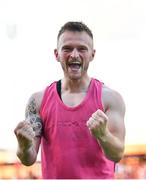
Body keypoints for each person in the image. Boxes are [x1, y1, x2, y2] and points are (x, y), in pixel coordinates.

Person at [14, 21, 126, 179]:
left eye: (82, 49)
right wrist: (23, 146)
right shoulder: (38, 101)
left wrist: (103, 134)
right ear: (56, 54)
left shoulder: (110, 98)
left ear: (92, 54)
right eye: (67, 48)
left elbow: (117, 154)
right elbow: (28, 159)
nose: (74, 55)